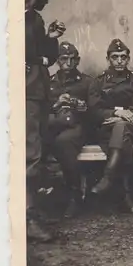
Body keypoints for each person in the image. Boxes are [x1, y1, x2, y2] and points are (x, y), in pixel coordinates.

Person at [25, 0, 65, 242]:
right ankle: (25, 217)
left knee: (35, 152)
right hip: (19, 92)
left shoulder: (35, 19)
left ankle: (30, 212)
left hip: (38, 93)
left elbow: (47, 59)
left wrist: (50, 39)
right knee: (28, 153)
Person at [87, 39, 133, 213]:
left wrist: (123, 118)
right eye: (115, 57)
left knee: (121, 128)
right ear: (108, 59)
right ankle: (127, 196)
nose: (119, 61)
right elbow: (94, 110)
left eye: (123, 57)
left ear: (128, 59)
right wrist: (115, 113)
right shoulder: (98, 82)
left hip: (132, 128)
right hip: (106, 130)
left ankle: (108, 177)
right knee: (121, 138)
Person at [44, 41, 93, 218]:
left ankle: (75, 195)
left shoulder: (87, 82)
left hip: (78, 127)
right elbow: (43, 110)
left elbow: (95, 108)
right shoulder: (49, 82)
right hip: (54, 124)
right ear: (57, 60)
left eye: (73, 59)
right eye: (64, 59)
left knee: (63, 142)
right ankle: (46, 191)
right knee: (37, 141)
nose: (69, 63)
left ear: (78, 60)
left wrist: (82, 106)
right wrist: (57, 104)